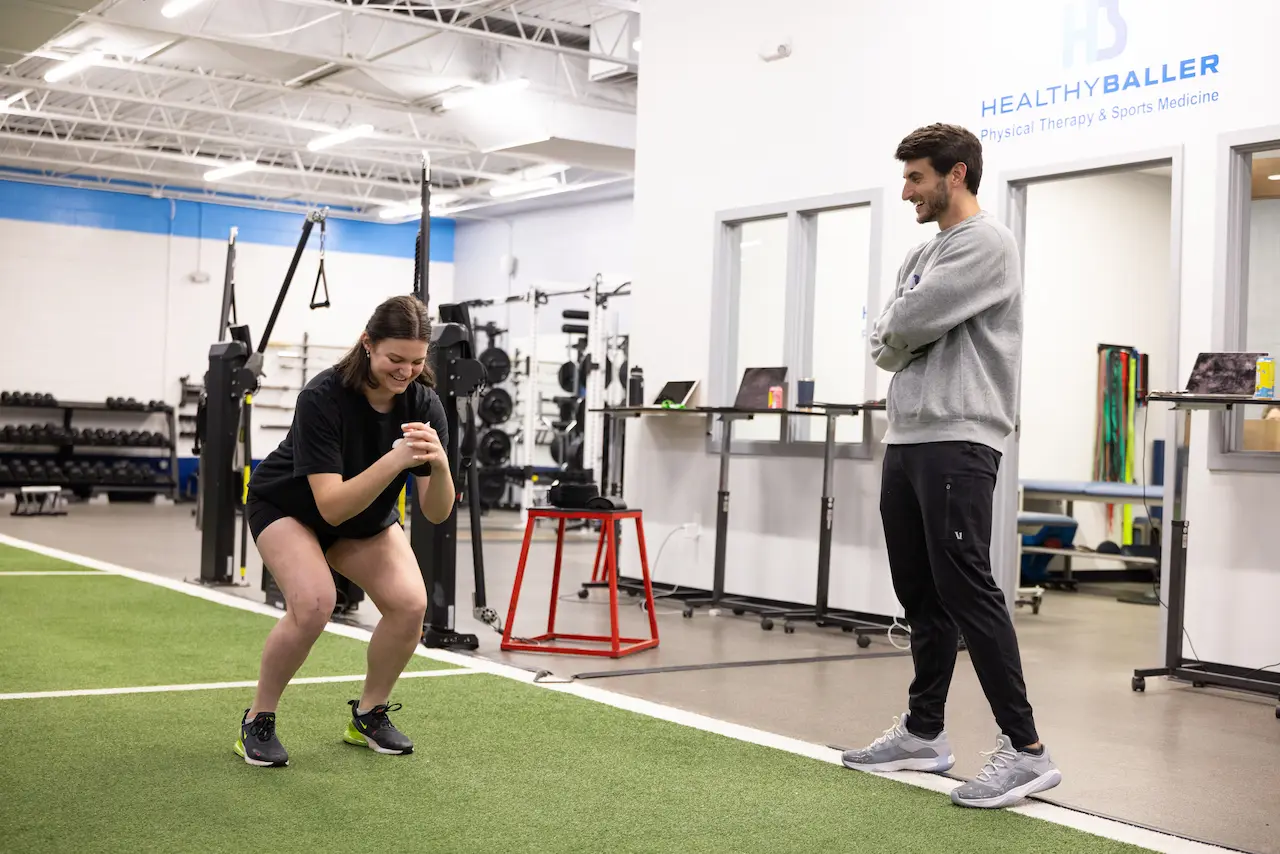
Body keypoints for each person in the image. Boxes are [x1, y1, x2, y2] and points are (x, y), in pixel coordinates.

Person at [842, 123, 1061, 809]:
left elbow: (905, 325)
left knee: (968, 591)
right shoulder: (922, 252)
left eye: (916, 178)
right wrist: (899, 330)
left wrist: (900, 331)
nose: (907, 190)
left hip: (959, 439)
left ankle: (1026, 752)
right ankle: (924, 733)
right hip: (907, 437)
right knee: (920, 593)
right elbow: (886, 335)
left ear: (956, 174)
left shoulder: (986, 245)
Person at [234, 294, 455, 768]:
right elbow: (330, 508)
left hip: (364, 516)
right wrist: (396, 458)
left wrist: (440, 466)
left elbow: (437, 514)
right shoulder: (322, 397)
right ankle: (258, 718)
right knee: (314, 604)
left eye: (417, 361)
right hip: (289, 506)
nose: (406, 371)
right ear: (367, 344)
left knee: (410, 605)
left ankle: (370, 714)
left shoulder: (424, 403)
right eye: (395, 358)